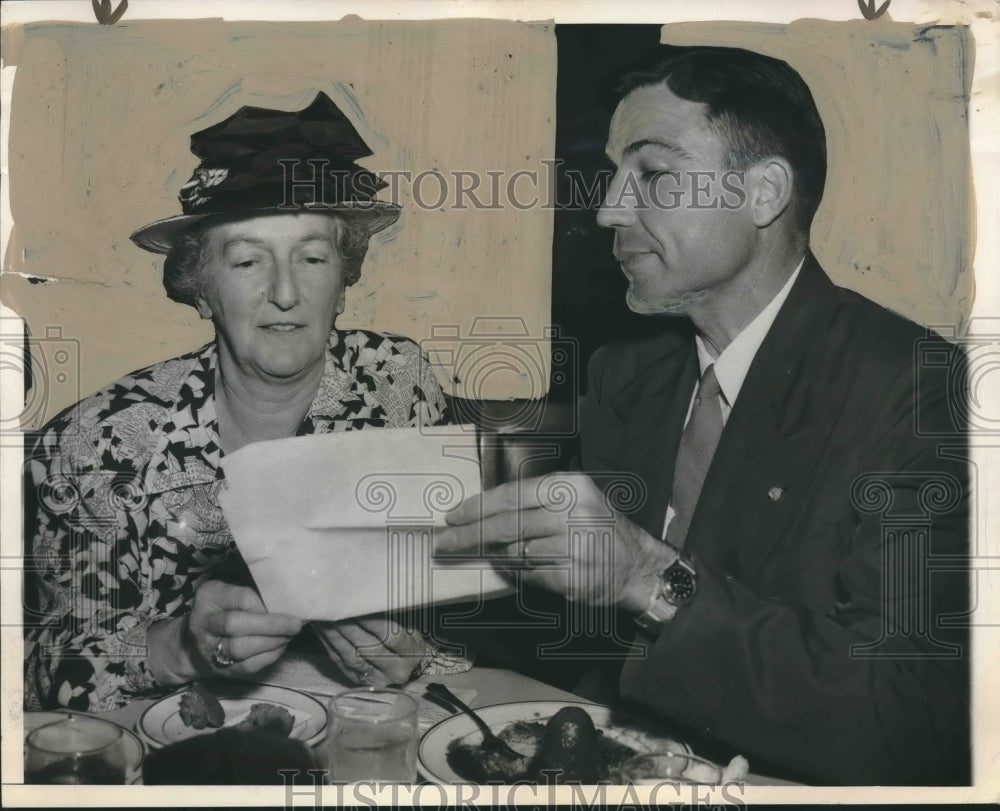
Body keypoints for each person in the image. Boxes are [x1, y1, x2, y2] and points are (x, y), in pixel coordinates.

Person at [439, 46, 969, 785]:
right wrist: (422, 644)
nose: (609, 209)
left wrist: (652, 575)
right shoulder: (631, 373)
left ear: (764, 193)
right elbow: (584, 637)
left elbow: (912, 716)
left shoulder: (914, 386)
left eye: (652, 174)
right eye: (617, 174)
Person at [24, 92, 468, 712]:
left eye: (312, 257)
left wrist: (410, 645)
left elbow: (449, 594)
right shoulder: (97, 441)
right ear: (201, 290)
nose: (285, 292)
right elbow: (39, 669)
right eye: (247, 260)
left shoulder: (398, 382)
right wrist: (178, 645)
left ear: (343, 283)